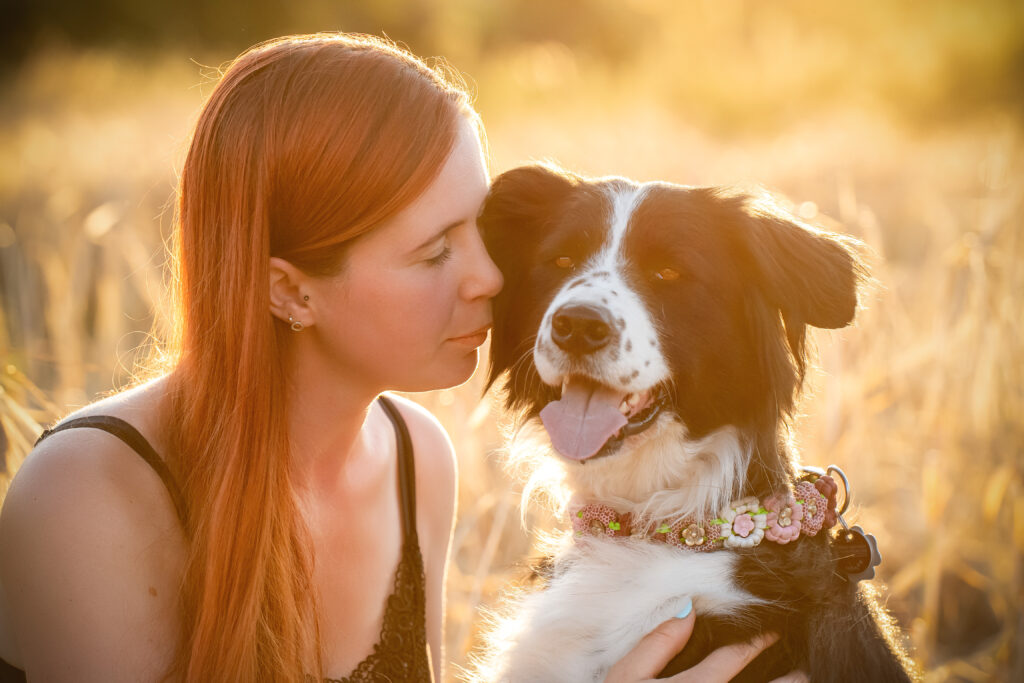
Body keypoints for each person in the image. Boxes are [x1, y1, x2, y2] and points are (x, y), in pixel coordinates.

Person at [0, 33, 794, 682]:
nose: (490, 278)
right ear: (291, 292)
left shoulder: (417, 457)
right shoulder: (85, 495)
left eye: (478, 232)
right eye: (432, 253)